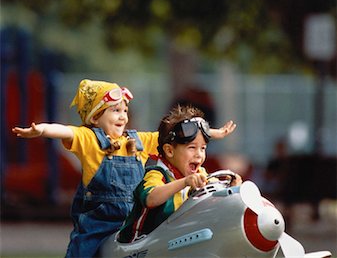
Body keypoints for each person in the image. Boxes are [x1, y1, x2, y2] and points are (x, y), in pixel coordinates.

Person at [12, 79, 237, 257]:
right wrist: (40, 130)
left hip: (135, 220)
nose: (123, 116)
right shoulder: (90, 140)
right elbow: (66, 131)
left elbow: (173, 135)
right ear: (96, 116)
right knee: (83, 252)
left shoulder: (137, 140)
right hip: (99, 224)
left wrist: (213, 133)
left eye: (125, 110)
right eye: (115, 111)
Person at [118, 104, 242, 243]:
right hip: (141, 245)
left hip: (173, 241)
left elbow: (213, 192)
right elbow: (151, 198)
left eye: (203, 148)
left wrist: (232, 188)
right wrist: (184, 182)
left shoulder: (199, 173)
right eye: (192, 148)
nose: (199, 155)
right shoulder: (156, 172)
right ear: (170, 151)